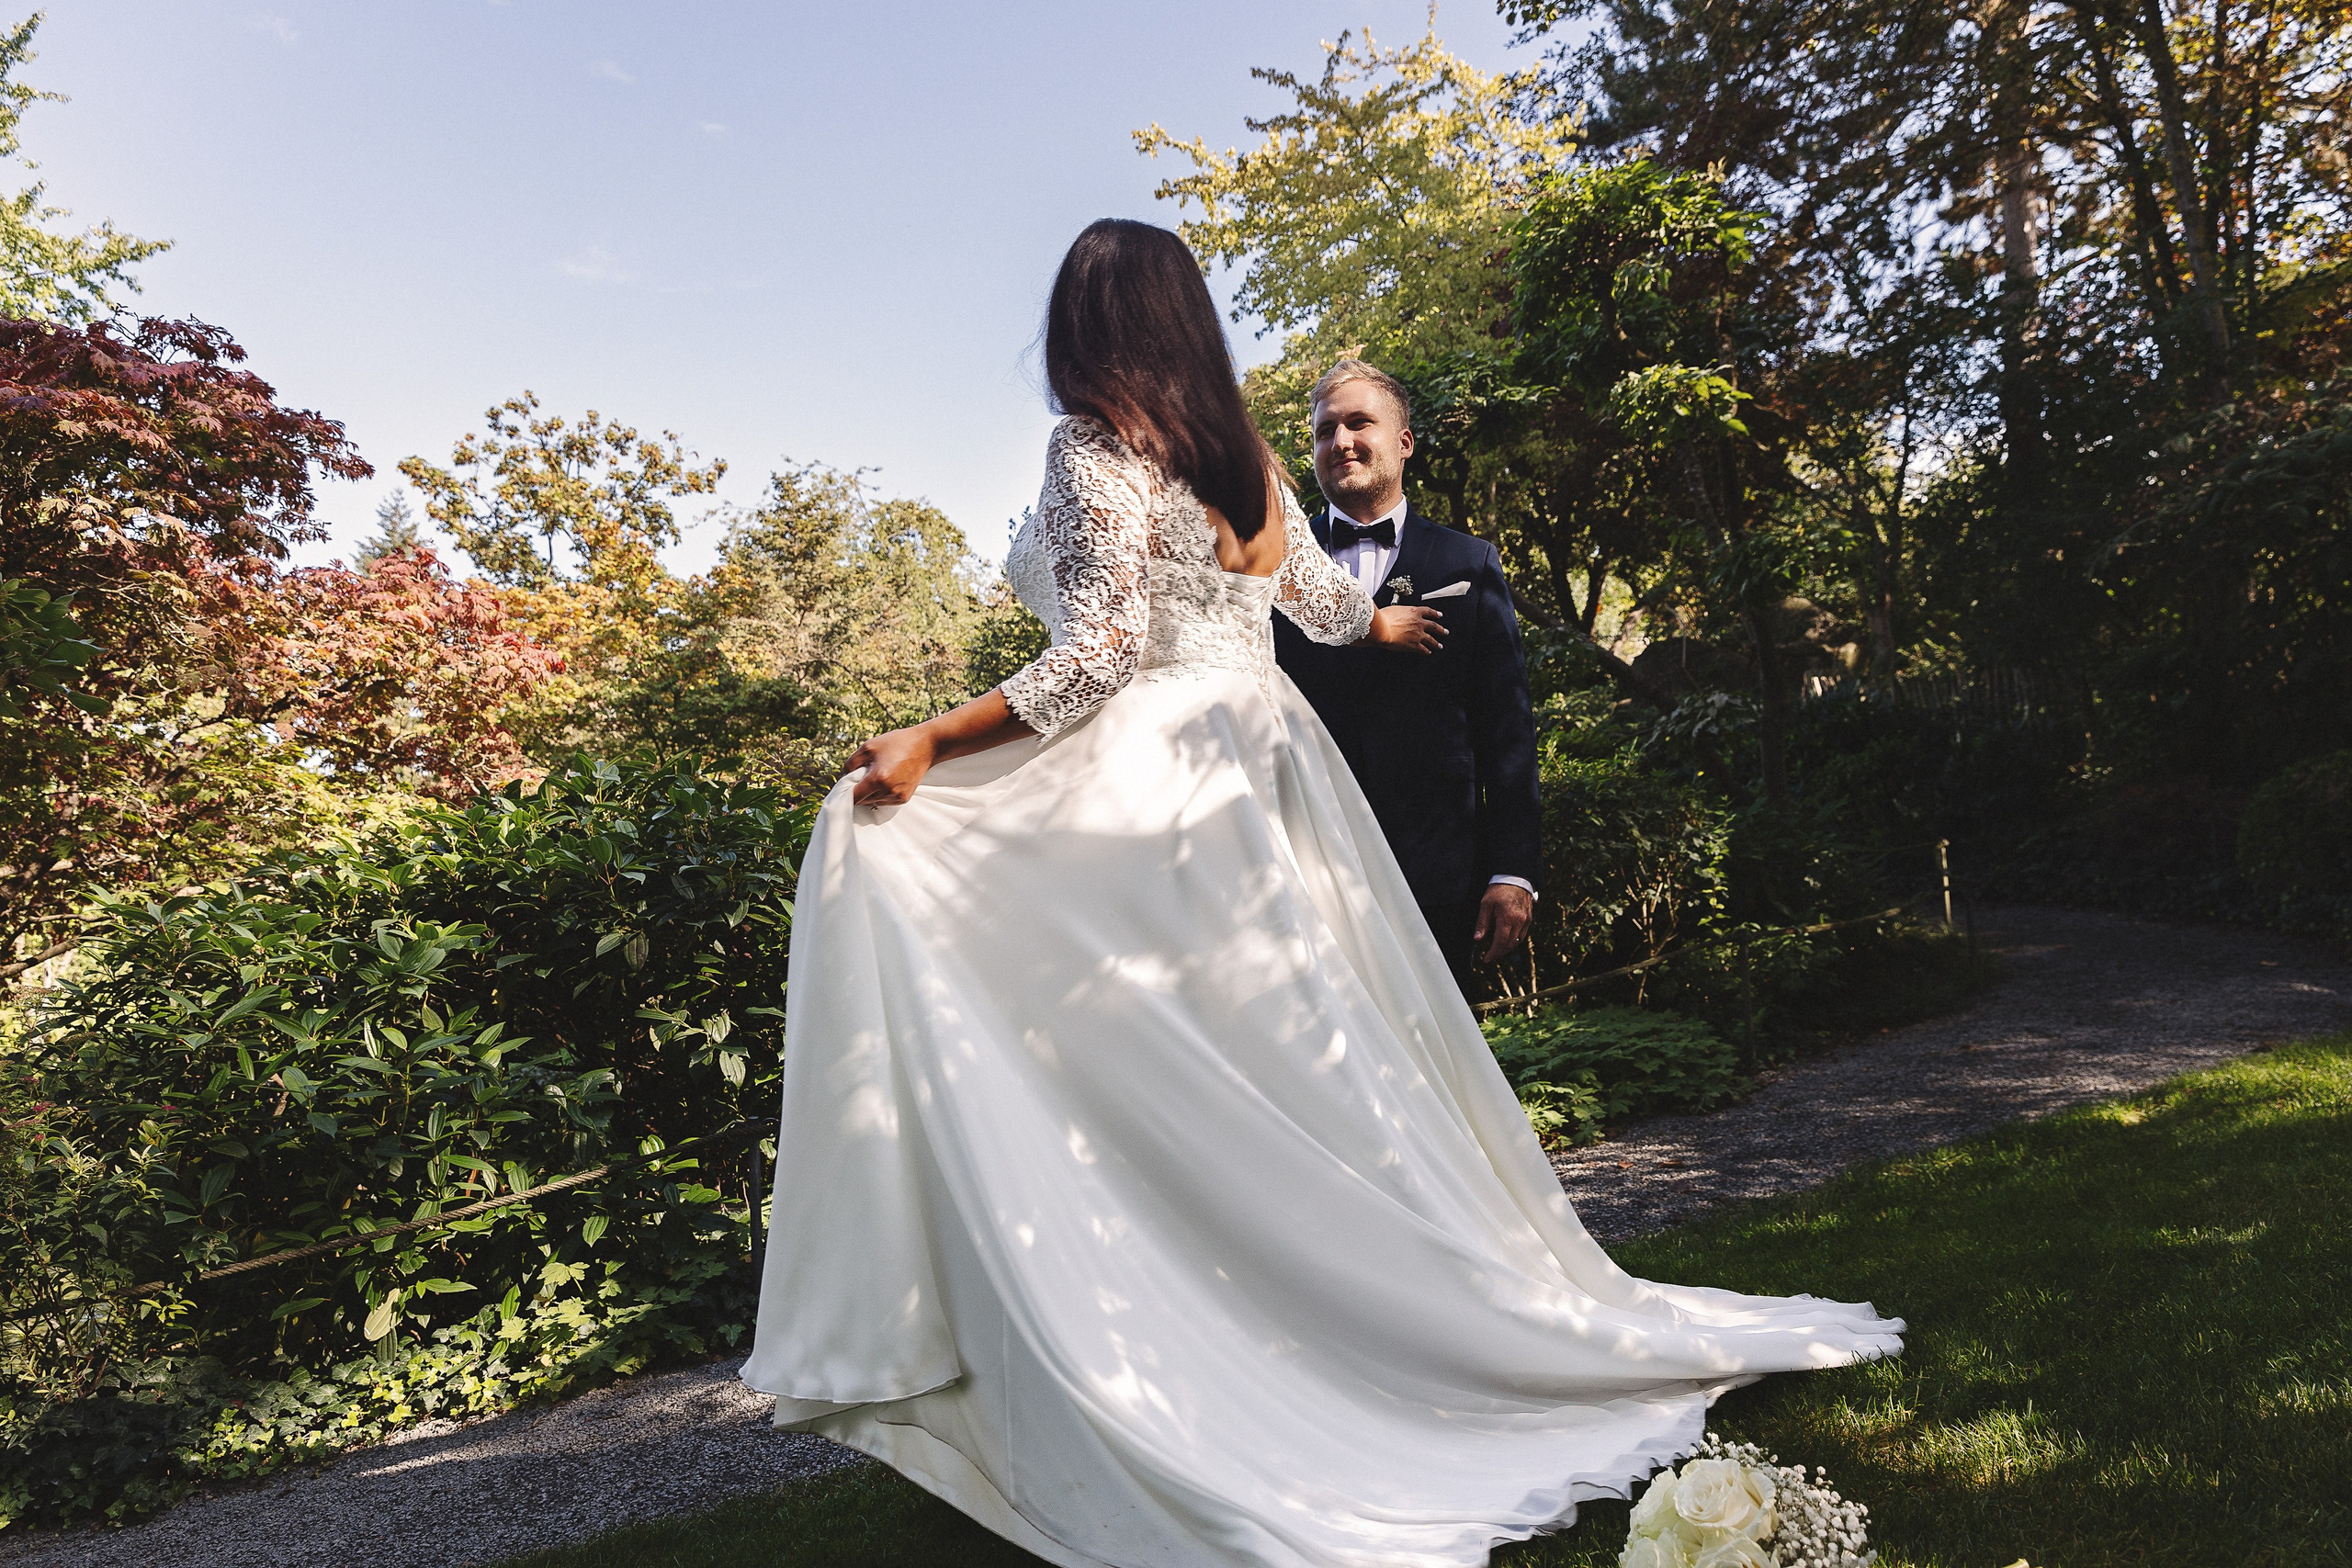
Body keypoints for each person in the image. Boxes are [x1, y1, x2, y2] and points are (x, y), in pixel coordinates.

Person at [741, 219, 1902, 1568]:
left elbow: (1108, 646)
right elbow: (1321, 608)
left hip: (1158, 776)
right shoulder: (1243, 455)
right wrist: (1386, 622)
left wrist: (935, 737)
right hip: (1263, 767)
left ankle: (1198, 1329)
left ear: (1088, 327)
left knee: (1117, 1045)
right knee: (1302, 1068)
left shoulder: (1095, 450)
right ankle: (1318, 1312)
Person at [1272, 359, 1542, 997]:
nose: (1340, 442)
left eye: (1359, 423)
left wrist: (1512, 872)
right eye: (1324, 430)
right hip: (1309, 868)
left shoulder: (1466, 563)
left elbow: (1507, 728)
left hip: (1439, 871)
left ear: (1404, 441)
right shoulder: (1278, 569)